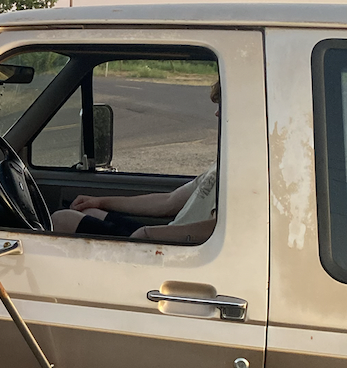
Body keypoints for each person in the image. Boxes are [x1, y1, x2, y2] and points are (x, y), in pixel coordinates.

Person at [49, 80, 220, 245]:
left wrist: (149, 234)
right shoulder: (221, 165)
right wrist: (100, 201)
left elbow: (216, 228)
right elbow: (169, 202)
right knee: (88, 210)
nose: (217, 113)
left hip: (174, 248)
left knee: (62, 219)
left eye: (223, 104)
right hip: (166, 236)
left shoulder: (239, 172)